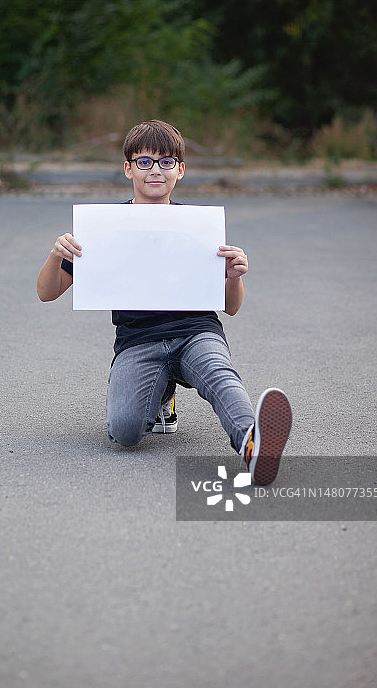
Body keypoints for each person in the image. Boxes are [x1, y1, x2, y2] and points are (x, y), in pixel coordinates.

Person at [37, 119, 292, 485]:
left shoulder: (198, 228)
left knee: (219, 374)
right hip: (138, 341)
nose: (155, 170)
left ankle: (254, 445)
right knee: (124, 432)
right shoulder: (103, 229)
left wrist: (234, 276)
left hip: (195, 332)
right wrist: (54, 254)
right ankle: (162, 397)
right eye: (144, 162)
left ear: (181, 170)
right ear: (128, 169)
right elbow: (46, 292)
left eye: (166, 161)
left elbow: (231, 307)